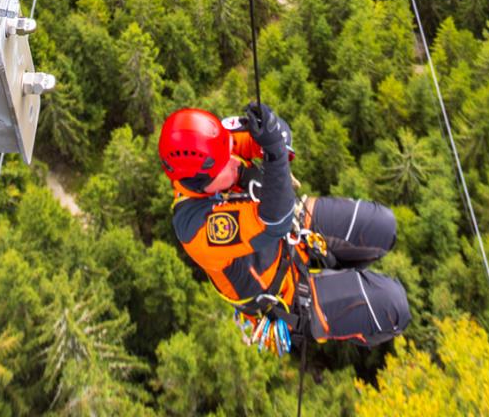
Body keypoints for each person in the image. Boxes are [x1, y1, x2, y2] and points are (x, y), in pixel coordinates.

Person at [159, 103, 410, 349]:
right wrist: (274, 152)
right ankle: (342, 296)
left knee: (384, 226)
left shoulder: (217, 143)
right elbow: (273, 221)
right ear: (201, 182)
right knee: (393, 306)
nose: (234, 160)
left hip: (294, 228)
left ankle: (344, 275)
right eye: (225, 164)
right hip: (285, 293)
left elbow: (282, 139)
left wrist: (269, 126)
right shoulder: (196, 228)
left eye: (229, 151)